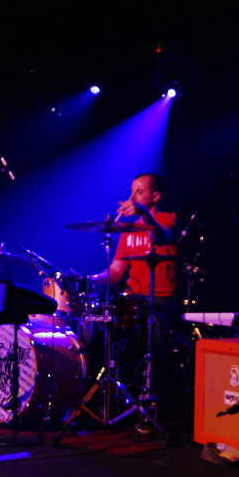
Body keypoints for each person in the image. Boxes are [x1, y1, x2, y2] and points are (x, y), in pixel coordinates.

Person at [89, 173, 181, 430]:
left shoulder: (168, 219)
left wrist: (143, 212)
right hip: (132, 302)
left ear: (155, 196)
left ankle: (155, 405)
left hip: (161, 300)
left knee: (157, 341)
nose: (132, 197)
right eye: (132, 191)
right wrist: (89, 280)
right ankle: (100, 401)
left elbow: (161, 238)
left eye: (139, 192)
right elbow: (115, 272)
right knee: (97, 330)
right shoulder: (126, 232)